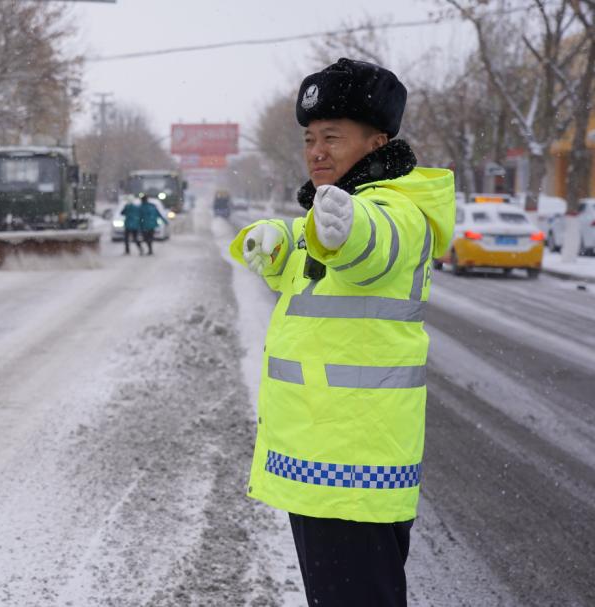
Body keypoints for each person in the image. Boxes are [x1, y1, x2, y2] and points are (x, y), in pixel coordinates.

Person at [229, 58, 455, 607]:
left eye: (333, 136)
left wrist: (351, 232)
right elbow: (316, 275)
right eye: (310, 138)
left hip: (355, 464)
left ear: (377, 141)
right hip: (323, 456)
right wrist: (281, 243)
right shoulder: (332, 210)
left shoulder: (394, 209)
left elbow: (374, 249)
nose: (316, 151)